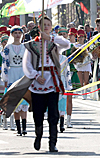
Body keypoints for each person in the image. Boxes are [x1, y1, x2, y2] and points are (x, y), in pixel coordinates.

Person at [23, 16, 71, 152]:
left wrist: (51, 38)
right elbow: (26, 64)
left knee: (53, 115)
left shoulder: (54, 43)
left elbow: (67, 44)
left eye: (48, 24)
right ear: (39, 27)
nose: (46, 27)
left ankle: (52, 142)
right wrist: (36, 76)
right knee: (38, 114)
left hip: (52, 81)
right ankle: (38, 136)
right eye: (43, 24)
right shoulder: (32, 45)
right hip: (38, 82)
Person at [1, 26, 29, 136]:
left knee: (23, 99)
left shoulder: (25, 47)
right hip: (12, 72)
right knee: (14, 101)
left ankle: (24, 127)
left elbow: (28, 62)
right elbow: (5, 63)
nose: (17, 35)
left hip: (22, 73)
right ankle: (18, 128)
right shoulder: (8, 47)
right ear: (12, 35)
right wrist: (6, 78)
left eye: (19, 33)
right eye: (15, 33)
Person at [74, 29, 92, 100]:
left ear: (84, 37)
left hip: (86, 63)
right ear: (77, 38)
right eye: (80, 37)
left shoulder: (87, 45)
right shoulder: (75, 45)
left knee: (86, 80)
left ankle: (85, 93)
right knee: (80, 79)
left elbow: (90, 53)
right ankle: (82, 92)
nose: (81, 38)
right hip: (79, 64)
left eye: (82, 37)